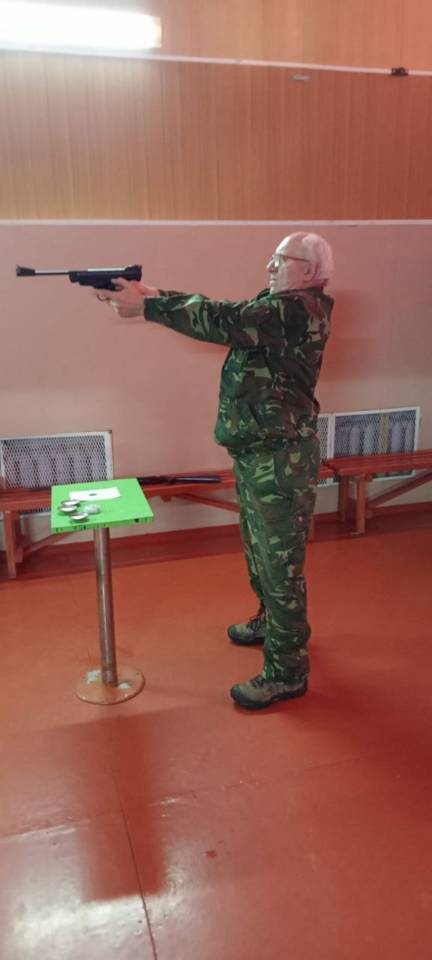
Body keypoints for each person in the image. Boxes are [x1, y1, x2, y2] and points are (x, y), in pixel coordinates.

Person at [93, 231, 334, 710]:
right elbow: (230, 314)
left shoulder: (298, 310)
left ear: (310, 271)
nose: (270, 266)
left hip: (279, 460)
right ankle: (270, 624)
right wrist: (152, 294)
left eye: (282, 260)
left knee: (280, 567)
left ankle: (288, 671)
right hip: (258, 454)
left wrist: (149, 306)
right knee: (259, 554)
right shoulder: (278, 306)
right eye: (271, 258)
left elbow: (226, 319)